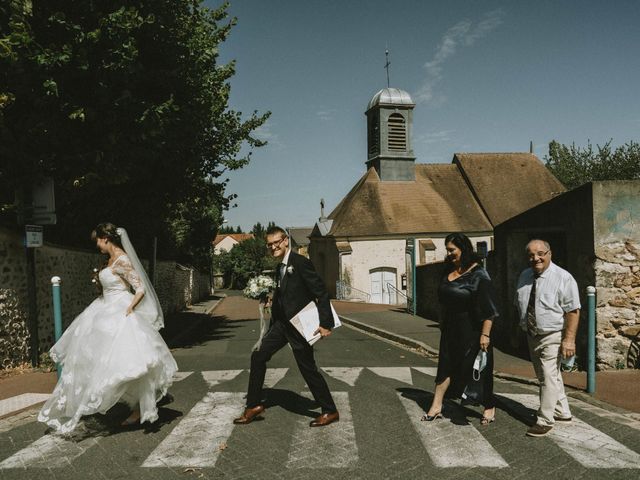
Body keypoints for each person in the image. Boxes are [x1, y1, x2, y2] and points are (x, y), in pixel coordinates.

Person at [38, 223, 178, 434]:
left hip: (119, 310)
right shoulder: (110, 260)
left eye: (97, 240)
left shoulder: (122, 259)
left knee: (130, 362)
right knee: (103, 359)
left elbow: (139, 287)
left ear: (105, 238)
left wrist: (130, 307)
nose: (96, 244)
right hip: (104, 309)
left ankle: (139, 408)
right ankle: (133, 406)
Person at [233, 226, 339, 427]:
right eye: (269, 244)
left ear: (285, 241)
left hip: (299, 325)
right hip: (281, 325)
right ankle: (253, 406)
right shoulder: (279, 267)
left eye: (276, 243)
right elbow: (286, 293)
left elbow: (321, 292)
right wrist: (270, 300)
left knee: (307, 368)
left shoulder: (300, 263)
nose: (273, 247)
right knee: (258, 356)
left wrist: (326, 323)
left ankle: (330, 410)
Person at [423, 233, 499, 425]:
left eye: (452, 250)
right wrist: (442, 321)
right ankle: (436, 406)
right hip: (450, 329)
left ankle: (489, 405)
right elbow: (442, 300)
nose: (449, 254)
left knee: (478, 371)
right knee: (445, 367)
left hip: (473, 330)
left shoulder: (479, 274)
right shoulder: (447, 270)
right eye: (447, 250)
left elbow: (490, 309)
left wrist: (485, 334)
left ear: (463, 249)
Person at [515, 239, 580, 437]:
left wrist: (569, 340)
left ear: (549, 253)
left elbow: (573, 310)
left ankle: (545, 420)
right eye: (531, 255)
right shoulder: (525, 276)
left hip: (552, 334)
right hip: (532, 334)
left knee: (548, 375)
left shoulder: (563, 278)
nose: (536, 258)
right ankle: (562, 411)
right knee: (548, 375)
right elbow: (520, 304)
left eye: (540, 253)